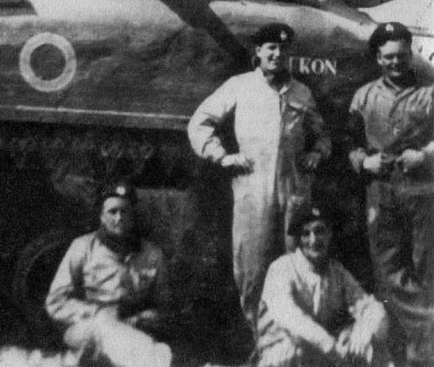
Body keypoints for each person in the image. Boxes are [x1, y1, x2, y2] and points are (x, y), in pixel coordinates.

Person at [187, 23, 330, 329]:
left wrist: (317, 153)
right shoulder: (240, 86)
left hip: (294, 192)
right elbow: (200, 122)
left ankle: (292, 339)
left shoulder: (301, 92)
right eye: (271, 49)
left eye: (283, 49)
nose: (278, 55)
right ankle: (260, 335)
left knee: (297, 265)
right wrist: (222, 156)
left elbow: (322, 136)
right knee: (254, 268)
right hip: (254, 192)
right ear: (259, 52)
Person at [346, 22, 434, 366]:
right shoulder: (364, 96)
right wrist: (363, 161)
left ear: (410, 53)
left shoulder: (430, 93)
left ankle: (422, 351)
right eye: (388, 57)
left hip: (424, 192)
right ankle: (412, 343)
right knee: (387, 271)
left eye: (401, 55)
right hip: (381, 191)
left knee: (427, 267)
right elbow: (349, 143)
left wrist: (425, 155)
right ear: (378, 59)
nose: (395, 63)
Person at [45, 180, 172, 367]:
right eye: (112, 212)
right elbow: (56, 301)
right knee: (124, 341)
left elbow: (164, 306)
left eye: (124, 212)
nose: (119, 218)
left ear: (133, 216)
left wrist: (138, 319)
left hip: (132, 326)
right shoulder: (83, 247)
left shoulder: (152, 255)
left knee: (141, 347)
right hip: (87, 327)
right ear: (102, 217)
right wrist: (98, 313)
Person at [254, 202, 390, 367]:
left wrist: (364, 331)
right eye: (306, 234)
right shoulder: (281, 269)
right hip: (283, 351)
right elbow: (293, 320)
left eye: (319, 231)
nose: (313, 240)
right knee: (292, 351)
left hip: (323, 354)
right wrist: (331, 347)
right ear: (298, 239)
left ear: (329, 234)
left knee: (367, 346)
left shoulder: (336, 271)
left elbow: (372, 308)